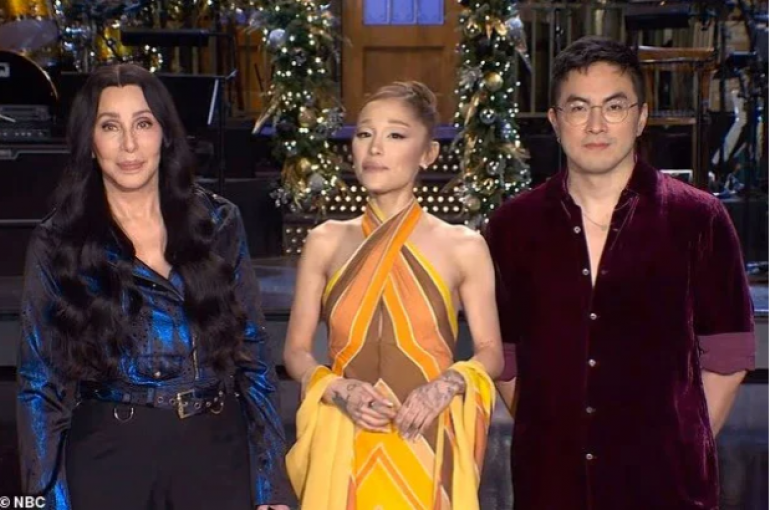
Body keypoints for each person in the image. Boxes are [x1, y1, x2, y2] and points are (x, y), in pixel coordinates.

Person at [486, 36, 755, 510]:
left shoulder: (698, 218)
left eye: (614, 107)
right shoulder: (513, 225)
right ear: (555, 120)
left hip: (666, 489)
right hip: (551, 486)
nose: (596, 125)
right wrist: (559, 435)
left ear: (641, 117)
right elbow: (503, 357)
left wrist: (677, 448)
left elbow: (729, 354)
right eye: (578, 108)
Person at [17, 64, 293, 510]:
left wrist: (271, 485)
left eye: (143, 124)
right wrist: (45, 501)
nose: (129, 144)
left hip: (214, 451)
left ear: (165, 134)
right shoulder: (58, 241)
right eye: (111, 126)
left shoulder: (218, 222)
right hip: (109, 453)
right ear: (90, 142)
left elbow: (254, 356)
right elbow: (38, 385)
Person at [283, 81, 502, 509]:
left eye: (396, 135)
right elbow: (295, 352)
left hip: (425, 439)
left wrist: (446, 386)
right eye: (364, 133)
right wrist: (338, 389)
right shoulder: (325, 241)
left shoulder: (463, 246)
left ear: (428, 153)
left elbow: (491, 352)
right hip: (345, 442)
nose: (375, 148)